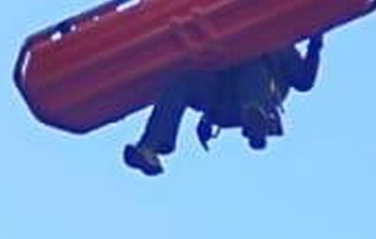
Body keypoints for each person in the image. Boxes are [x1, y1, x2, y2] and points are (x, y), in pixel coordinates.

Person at [124, 36, 323, 176]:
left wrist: (315, 45)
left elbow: (304, 81)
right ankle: (150, 147)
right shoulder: (231, 26)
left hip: (257, 94)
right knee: (180, 81)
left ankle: (256, 119)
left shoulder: (281, 44)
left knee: (252, 56)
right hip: (221, 98)